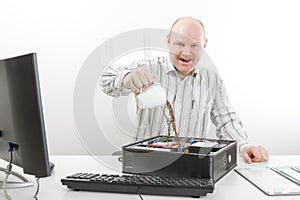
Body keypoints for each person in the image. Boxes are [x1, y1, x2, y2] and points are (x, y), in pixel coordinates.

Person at [100, 16, 269, 163]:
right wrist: (127, 78)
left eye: (195, 45)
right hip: (145, 164)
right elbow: (106, 79)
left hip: (190, 167)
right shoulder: (148, 67)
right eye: (179, 44)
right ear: (168, 41)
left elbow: (226, 121)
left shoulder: (212, 80)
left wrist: (244, 146)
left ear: (205, 44)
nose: (186, 52)